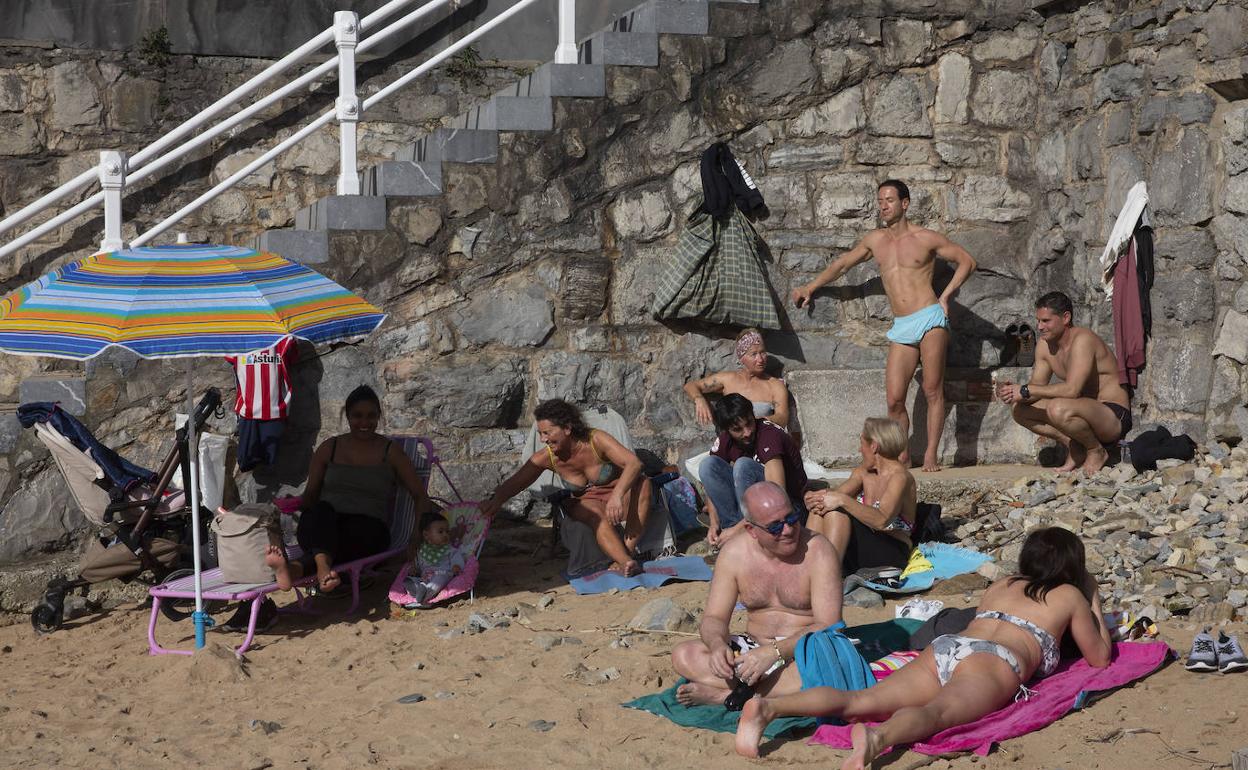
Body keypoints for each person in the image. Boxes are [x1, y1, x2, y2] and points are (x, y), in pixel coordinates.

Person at [734, 527, 1114, 765]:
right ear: (1071, 568)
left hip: (953, 645)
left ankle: (769, 707)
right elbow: (1099, 657)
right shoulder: (1069, 596)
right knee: (936, 715)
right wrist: (1091, 594)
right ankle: (877, 738)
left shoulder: (1003, 584)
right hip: (995, 662)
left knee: (862, 700)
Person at [791, 180, 977, 472]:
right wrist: (810, 286)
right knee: (893, 400)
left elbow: (967, 261)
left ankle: (930, 455)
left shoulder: (926, 238)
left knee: (932, 390)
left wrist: (945, 296)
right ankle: (902, 455)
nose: (883, 206)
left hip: (930, 318)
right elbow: (842, 264)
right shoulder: (876, 240)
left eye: (889, 200)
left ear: (905, 203)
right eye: (879, 201)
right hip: (902, 324)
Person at [671, 481, 844, 706]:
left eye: (792, 518)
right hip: (753, 648)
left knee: (824, 666)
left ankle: (730, 696)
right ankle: (766, 691)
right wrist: (717, 646)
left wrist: (775, 652)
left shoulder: (819, 551)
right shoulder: (735, 554)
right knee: (685, 655)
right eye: (774, 527)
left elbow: (828, 625)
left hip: (802, 651)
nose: (788, 530)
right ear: (751, 529)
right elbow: (714, 618)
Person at [264, 385, 432, 593]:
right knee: (321, 512)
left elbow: (419, 495)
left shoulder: (390, 452)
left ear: (379, 416)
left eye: (371, 416)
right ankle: (323, 571)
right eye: (357, 416)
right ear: (347, 416)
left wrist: (416, 537)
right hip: (324, 524)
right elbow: (311, 496)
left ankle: (299, 570)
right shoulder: (329, 448)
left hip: (367, 530)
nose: (364, 422)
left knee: (331, 539)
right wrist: (292, 502)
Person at [480, 398, 651, 576]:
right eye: (540, 433)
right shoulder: (546, 457)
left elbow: (634, 463)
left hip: (617, 497)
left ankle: (625, 554)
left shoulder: (596, 440)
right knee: (595, 513)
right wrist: (495, 501)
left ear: (567, 429)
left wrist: (617, 495)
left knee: (644, 483)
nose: (542, 439)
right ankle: (626, 562)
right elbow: (516, 482)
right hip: (586, 502)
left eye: (547, 433)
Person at [998, 291, 1132, 475]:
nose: (1039, 327)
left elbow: (1072, 390)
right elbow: (1036, 387)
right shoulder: (1045, 346)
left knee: (1057, 408)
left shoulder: (1083, 340)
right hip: (1080, 409)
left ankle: (1096, 450)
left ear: (1065, 317)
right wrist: (1015, 392)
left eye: (1046, 321)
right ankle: (1074, 445)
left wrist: (1026, 390)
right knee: (1019, 409)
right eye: (1038, 321)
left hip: (1112, 416)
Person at [804, 417, 916, 575]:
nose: (859, 450)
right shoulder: (863, 473)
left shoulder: (900, 477)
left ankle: (827, 578)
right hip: (865, 544)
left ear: (874, 446)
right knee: (819, 509)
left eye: (862, 443)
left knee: (838, 511)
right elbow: (835, 496)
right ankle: (807, 572)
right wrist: (815, 498)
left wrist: (842, 500)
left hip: (891, 551)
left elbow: (882, 520)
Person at [699, 394, 808, 546]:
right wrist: (714, 524)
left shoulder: (769, 434)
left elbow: (778, 494)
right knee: (708, 465)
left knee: (743, 466)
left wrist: (738, 528)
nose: (747, 432)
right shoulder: (726, 439)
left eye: (750, 423)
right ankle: (733, 529)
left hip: (789, 509)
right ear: (727, 430)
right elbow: (713, 482)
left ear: (753, 415)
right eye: (738, 429)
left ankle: (742, 532)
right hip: (750, 513)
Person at [683, 328, 791, 429]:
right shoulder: (728, 380)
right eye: (753, 354)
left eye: (762, 352)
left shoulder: (775, 386)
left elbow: (782, 418)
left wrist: (753, 422)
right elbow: (691, 386)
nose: (760, 359)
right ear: (742, 358)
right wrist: (699, 399)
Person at [402, 510, 467, 608]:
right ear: (426, 535)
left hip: (443, 574)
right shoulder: (422, 550)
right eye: (440, 532)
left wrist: (456, 565)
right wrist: (414, 568)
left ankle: (423, 597)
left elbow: (457, 557)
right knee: (411, 580)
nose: (445, 534)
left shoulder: (449, 549)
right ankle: (417, 589)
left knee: (438, 581)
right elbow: (418, 564)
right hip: (425, 577)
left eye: (447, 531)